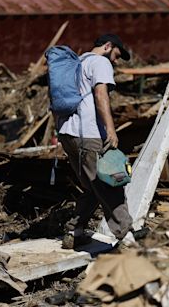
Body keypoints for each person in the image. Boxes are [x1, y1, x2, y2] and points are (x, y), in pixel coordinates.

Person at [57, 33, 133, 249]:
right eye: (116, 55)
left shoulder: (76, 63)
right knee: (110, 183)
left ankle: (75, 231)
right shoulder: (100, 62)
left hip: (67, 134)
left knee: (92, 186)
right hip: (89, 133)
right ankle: (128, 239)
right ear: (108, 46)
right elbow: (101, 95)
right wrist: (111, 129)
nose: (115, 61)